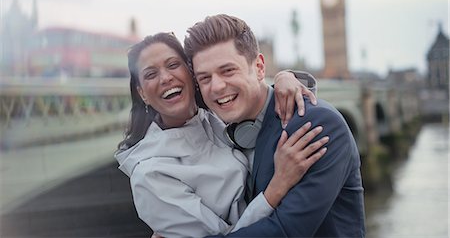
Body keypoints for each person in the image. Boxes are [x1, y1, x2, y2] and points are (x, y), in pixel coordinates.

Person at [115, 32, 328, 238]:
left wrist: (284, 78)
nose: (166, 78)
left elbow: (256, 96)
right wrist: (277, 187)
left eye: (173, 65)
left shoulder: (216, 115)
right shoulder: (150, 175)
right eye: (151, 74)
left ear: (191, 73)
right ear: (142, 93)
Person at [184, 14, 366, 237]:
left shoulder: (316, 125)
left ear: (259, 67)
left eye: (228, 70)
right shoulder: (221, 131)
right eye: (205, 78)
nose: (217, 86)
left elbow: (284, 231)